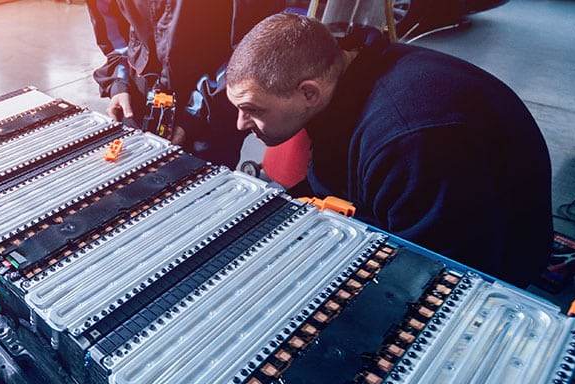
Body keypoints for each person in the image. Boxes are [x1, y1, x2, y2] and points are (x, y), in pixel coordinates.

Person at [224, 13, 552, 287]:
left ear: (309, 93)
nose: (241, 124)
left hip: (484, 267)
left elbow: (438, 275)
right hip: (433, 212)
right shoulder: (351, 70)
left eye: (254, 109)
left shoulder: (412, 141)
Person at [85, 0, 283, 168]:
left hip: (214, 105)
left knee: (201, 192)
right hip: (138, 92)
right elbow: (111, 29)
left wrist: (195, 115)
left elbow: (251, 52)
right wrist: (120, 82)